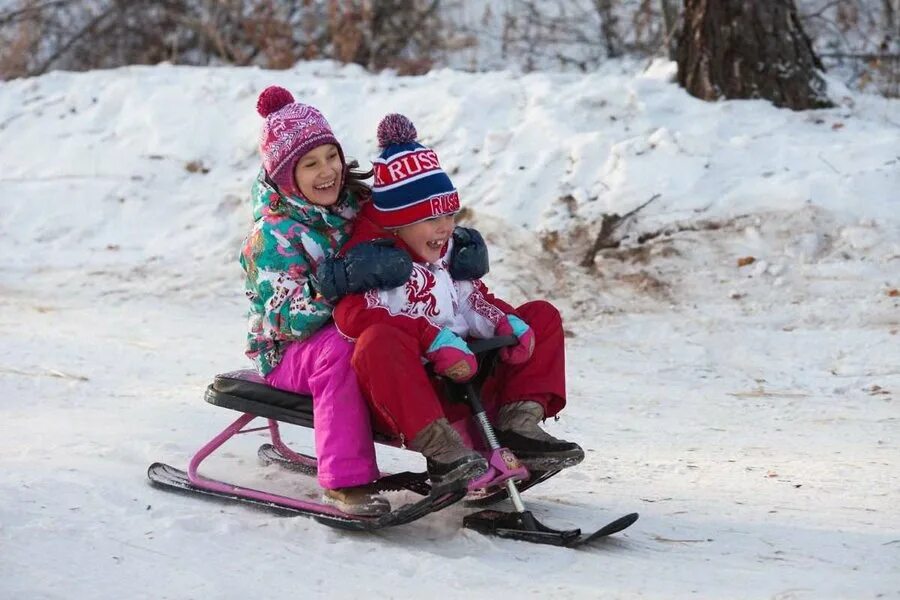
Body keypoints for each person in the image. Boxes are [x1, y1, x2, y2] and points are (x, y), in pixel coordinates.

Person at [241, 88, 489, 515]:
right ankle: (346, 481)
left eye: (331, 156)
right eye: (310, 164)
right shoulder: (272, 236)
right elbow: (281, 317)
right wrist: (334, 284)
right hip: (290, 350)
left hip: (363, 321)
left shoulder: (356, 204)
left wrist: (450, 243)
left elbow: (404, 226)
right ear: (285, 175)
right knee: (344, 351)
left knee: (427, 335)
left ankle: (467, 452)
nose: (327, 171)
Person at [333, 114, 584, 490]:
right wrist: (431, 339)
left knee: (541, 317)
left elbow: (472, 297)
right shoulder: (373, 262)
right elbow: (353, 318)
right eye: (431, 218)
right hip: (414, 394)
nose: (446, 227)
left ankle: (519, 427)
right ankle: (445, 453)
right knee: (377, 342)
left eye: (450, 214)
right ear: (398, 222)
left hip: (467, 379)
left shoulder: (444, 251)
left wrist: (503, 322)